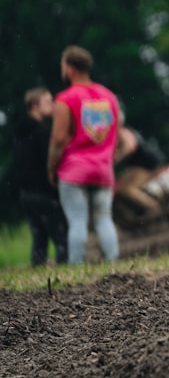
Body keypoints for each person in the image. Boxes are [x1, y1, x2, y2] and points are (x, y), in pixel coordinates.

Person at [48, 45, 122, 265]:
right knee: (103, 219)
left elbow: (58, 139)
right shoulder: (109, 97)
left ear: (70, 68)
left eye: (63, 65)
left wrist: (52, 167)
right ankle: (114, 264)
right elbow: (114, 135)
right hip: (103, 169)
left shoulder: (65, 99)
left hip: (74, 170)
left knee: (77, 221)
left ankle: (76, 268)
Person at [13, 87, 68, 266]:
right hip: (44, 192)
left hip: (26, 193)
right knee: (61, 237)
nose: (53, 106)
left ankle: (37, 271)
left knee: (39, 238)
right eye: (47, 102)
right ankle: (65, 273)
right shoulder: (43, 133)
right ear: (35, 106)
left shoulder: (20, 132)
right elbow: (50, 162)